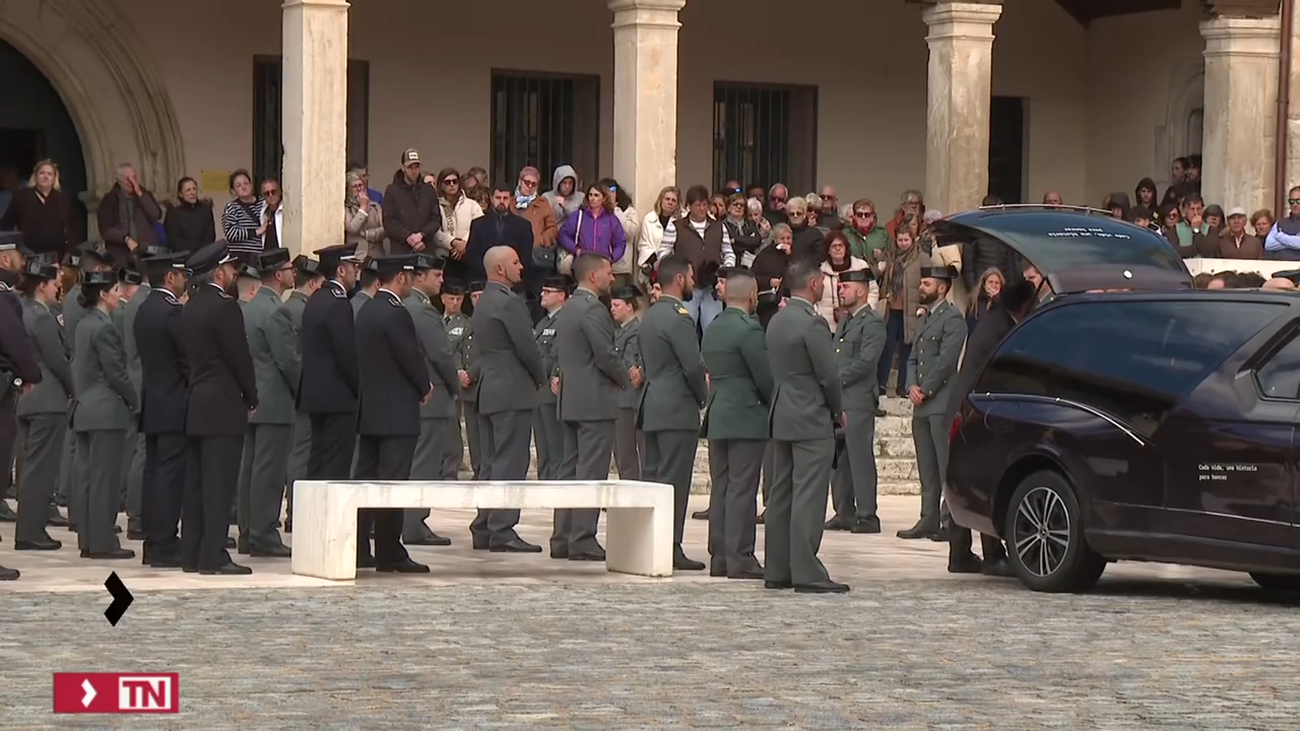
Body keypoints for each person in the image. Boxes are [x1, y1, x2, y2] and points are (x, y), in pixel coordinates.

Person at [764, 258, 847, 594]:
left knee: (781, 493)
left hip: (782, 411)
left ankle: (777, 567)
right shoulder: (812, 323)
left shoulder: (777, 320)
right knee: (809, 495)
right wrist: (837, 410)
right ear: (813, 284)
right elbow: (829, 375)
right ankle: (806, 570)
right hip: (810, 414)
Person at [943, 279, 1037, 576]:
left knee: (964, 481)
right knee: (985, 481)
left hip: (963, 408)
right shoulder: (1003, 328)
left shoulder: (991, 320)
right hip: (977, 411)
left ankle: (959, 554)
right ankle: (993, 554)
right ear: (1023, 305)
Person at [181, 242, 258, 574]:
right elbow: (238, 357)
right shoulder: (226, 308)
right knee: (219, 483)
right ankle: (213, 554)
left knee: (196, 483)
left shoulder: (190, 307)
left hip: (197, 401)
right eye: (231, 269)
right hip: (224, 404)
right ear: (220, 272)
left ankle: (193, 552)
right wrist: (251, 396)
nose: (234, 275)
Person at [354, 254, 433, 573]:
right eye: (410, 277)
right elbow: (409, 357)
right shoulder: (395, 313)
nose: (412, 283)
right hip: (396, 412)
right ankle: (389, 550)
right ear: (399, 277)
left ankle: (359, 546)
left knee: (366, 481)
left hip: (370, 410)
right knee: (392, 483)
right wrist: (424, 386)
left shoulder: (367, 309)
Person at [468, 246, 547, 552]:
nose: (521, 267)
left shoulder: (484, 300)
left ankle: (485, 524)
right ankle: (502, 529)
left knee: (490, 461)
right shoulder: (509, 302)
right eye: (515, 262)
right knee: (510, 462)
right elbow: (526, 347)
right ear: (500, 269)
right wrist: (540, 377)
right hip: (512, 390)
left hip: (489, 389)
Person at [551, 252, 628, 560]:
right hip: (594, 401)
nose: (613, 277)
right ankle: (582, 536)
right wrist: (625, 379)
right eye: (608, 272)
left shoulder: (568, 307)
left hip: (571, 398)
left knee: (569, 468)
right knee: (591, 470)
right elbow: (605, 355)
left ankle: (563, 536)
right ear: (593, 276)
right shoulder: (593, 310)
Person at [700, 269, 771, 580]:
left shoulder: (714, 326)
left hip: (719, 412)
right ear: (752, 296)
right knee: (743, 489)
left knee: (723, 487)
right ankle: (740, 555)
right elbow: (765, 377)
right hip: (745, 413)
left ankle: (720, 555)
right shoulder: (749, 330)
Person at [638, 255, 708, 571]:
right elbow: (692, 366)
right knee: (673, 481)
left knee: (653, 479)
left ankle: (649, 541)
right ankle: (670, 543)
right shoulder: (679, 317)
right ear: (679, 279)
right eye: (691, 277)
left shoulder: (651, 315)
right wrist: (702, 396)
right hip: (677, 407)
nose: (693, 282)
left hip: (652, 404)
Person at [298, 245, 363, 553]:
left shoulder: (316, 299)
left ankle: (310, 531)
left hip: (316, 395)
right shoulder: (338, 303)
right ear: (341, 270)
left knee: (318, 463)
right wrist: (358, 389)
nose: (355, 272)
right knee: (335, 469)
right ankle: (329, 538)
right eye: (352, 266)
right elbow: (346, 354)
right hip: (338, 398)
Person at [70, 268, 138, 560]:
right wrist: (134, 400)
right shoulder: (105, 327)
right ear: (102, 294)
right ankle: (102, 541)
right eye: (114, 290)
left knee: (87, 478)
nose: (118, 295)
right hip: (106, 411)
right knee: (104, 481)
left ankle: (88, 538)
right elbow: (116, 373)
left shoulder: (84, 324)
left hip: (85, 408)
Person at [235, 248, 297, 558]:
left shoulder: (248, 307)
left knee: (250, 468)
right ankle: (263, 532)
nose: (292, 273)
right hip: (274, 400)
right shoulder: (276, 310)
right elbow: (288, 360)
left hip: (252, 397)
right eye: (288, 268)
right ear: (277, 274)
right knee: (269, 472)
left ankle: (248, 530)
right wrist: (302, 391)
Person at [898, 266, 967, 541]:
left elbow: (946, 361)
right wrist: (911, 385)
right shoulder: (925, 319)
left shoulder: (953, 318)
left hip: (942, 400)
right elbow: (913, 357)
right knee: (926, 464)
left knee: (944, 463)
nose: (921, 288)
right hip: (922, 402)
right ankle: (928, 518)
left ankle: (949, 519)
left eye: (926, 283)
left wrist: (925, 388)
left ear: (942, 287)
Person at [135, 249, 192, 568]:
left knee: (155, 472)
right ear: (171, 277)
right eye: (182, 275)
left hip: (154, 401)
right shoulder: (172, 312)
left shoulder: (145, 309)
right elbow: (186, 359)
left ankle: (154, 538)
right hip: (174, 404)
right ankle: (164, 541)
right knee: (170, 476)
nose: (185, 281)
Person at [825, 269, 887, 534]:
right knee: (839, 459)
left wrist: (835, 379)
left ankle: (867, 514)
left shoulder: (871, 322)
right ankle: (844, 511)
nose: (841, 291)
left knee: (860, 458)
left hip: (858, 398)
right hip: (841, 399)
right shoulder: (847, 321)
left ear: (861, 291)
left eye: (845, 287)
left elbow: (866, 362)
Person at [401, 253, 456, 547]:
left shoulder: (404, 306)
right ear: (419, 277)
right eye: (436, 275)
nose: (442, 280)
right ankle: (414, 522)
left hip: (410, 397)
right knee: (425, 463)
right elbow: (442, 355)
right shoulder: (422, 311)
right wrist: (454, 385)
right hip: (431, 396)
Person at [14, 260, 70, 550]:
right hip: (48, 397)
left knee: (28, 467)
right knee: (41, 469)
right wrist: (73, 389)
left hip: (24, 398)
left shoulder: (18, 311)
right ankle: (31, 531)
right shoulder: (43, 317)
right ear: (42, 285)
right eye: (54, 283)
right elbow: (57, 360)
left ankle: (27, 528)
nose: (58, 287)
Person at [281, 255, 325, 533]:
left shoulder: (290, 307)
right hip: (302, 391)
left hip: (298, 391)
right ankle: (296, 511)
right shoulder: (301, 309)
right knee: (301, 453)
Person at [532, 275, 568, 485]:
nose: (542, 295)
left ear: (561, 295)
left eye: (548, 292)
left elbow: (558, 353)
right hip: (538, 390)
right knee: (543, 445)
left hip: (551, 389)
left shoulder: (564, 320)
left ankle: (555, 485)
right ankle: (544, 483)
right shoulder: (543, 322)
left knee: (556, 446)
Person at [610, 285, 644, 480]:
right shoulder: (619, 331)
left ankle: (631, 495)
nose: (612, 309)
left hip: (628, 398)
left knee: (627, 453)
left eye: (617, 305)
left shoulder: (635, 331)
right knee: (621, 453)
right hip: (618, 398)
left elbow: (629, 360)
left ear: (630, 306)